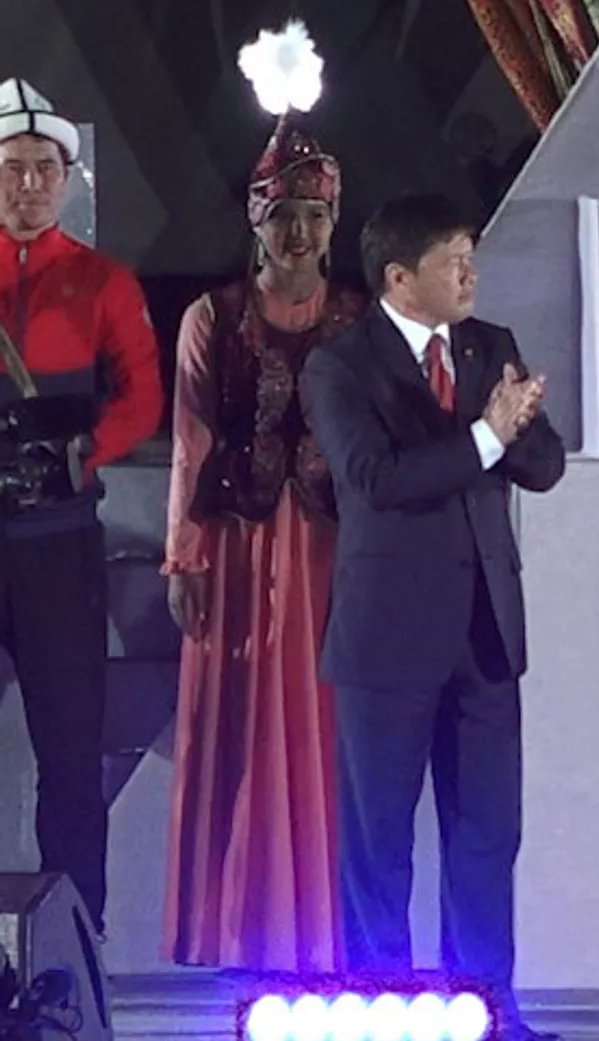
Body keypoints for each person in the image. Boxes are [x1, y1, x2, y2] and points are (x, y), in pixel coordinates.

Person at [301, 193, 564, 1039]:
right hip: (387, 640)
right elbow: (376, 479)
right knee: (379, 844)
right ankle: (380, 1012)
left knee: (486, 837)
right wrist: (485, 436)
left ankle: (487, 1010)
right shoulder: (341, 367)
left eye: (471, 258)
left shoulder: (490, 347)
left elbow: (545, 466)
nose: (470, 275)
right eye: (453, 262)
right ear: (399, 278)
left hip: (485, 636)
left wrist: (518, 427)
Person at [160, 116, 364, 971]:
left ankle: (321, 932)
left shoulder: (358, 317)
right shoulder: (214, 317)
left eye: (315, 214)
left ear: (335, 221)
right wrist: (183, 554)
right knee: (239, 723)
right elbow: (192, 439)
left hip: (328, 550)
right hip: (238, 546)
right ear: (256, 219)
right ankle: (237, 930)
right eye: (284, 213)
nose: (300, 232)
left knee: (324, 723)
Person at [0, 77, 163, 936]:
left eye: (43, 168)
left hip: (58, 545)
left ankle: (77, 943)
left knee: (69, 753)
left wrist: (81, 451)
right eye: (12, 167)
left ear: (66, 179)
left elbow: (144, 396)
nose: (28, 184)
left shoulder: (104, 282)